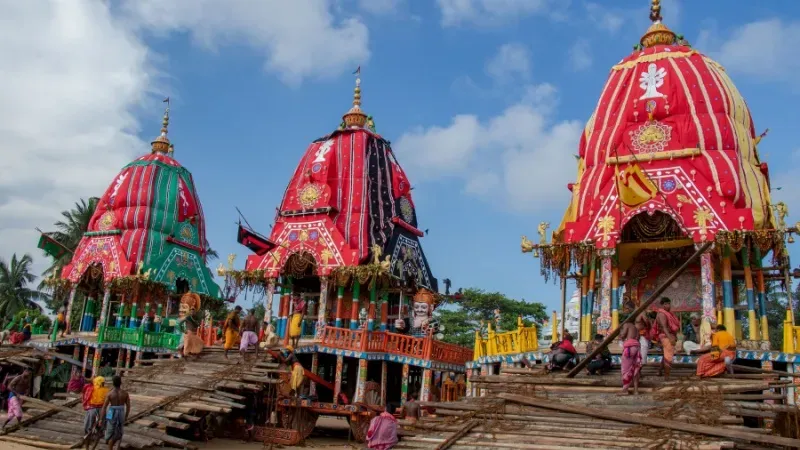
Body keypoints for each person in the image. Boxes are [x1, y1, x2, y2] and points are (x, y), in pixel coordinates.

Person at [653, 298, 680, 380]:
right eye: (666, 304)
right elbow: (664, 327)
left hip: (668, 335)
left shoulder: (668, 313)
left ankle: (659, 371)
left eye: (669, 303)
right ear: (662, 305)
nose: (668, 305)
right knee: (668, 357)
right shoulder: (662, 314)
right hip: (666, 336)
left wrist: (674, 336)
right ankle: (667, 377)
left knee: (666, 355)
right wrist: (670, 338)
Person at [101, 375, 130, 450]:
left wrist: (101, 419)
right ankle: (116, 447)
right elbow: (128, 407)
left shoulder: (110, 393)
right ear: (120, 383)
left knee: (110, 430)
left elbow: (104, 407)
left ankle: (110, 447)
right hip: (121, 412)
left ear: (113, 383)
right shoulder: (125, 393)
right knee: (119, 430)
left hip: (111, 411)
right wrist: (126, 416)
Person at [618, 320, 642, 395]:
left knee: (625, 369)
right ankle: (636, 390)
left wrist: (620, 333)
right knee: (635, 369)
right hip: (636, 347)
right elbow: (638, 338)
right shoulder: (635, 328)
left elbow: (623, 335)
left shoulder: (626, 324)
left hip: (629, 348)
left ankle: (625, 390)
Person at [82, 376, 109, 443]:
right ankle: (99, 432)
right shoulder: (106, 390)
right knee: (101, 420)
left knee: (90, 420)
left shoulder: (90, 388)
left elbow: (85, 396)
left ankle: (89, 432)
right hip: (97, 407)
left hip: (94, 407)